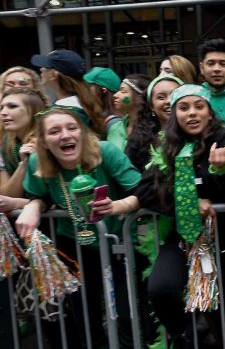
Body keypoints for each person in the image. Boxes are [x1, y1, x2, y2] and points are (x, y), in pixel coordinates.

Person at [15, 106, 141, 348]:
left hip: (118, 242)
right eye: (54, 131)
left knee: (127, 314)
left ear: (83, 132)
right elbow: (38, 195)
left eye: (72, 128)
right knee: (84, 312)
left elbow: (142, 190)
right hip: (73, 245)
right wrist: (33, 206)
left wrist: (118, 205)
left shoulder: (105, 151)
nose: (65, 136)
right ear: (43, 141)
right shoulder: (36, 162)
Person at [135, 84, 225, 347]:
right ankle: (188, 336)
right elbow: (145, 190)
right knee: (160, 289)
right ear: (175, 114)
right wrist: (187, 201)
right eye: (184, 108)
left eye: (199, 106)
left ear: (210, 112)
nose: (192, 113)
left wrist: (223, 171)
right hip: (182, 240)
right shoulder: (167, 146)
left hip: (224, 243)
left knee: (224, 314)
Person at [32, 49, 106, 136]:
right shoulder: (83, 104)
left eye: (45, 67)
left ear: (53, 75)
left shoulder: (64, 112)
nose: (41, 69)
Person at [0, 87, 45, 206]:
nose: (3, 112)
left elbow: (55, 198)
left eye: (12, 106)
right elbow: (6, 198)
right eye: (1, 107)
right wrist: (24, 164)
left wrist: (20, 203)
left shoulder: (48, 142)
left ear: (33, 111)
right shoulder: (8, 146)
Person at [107, 74, 150, 150]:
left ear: (139, 98)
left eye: (123, 91)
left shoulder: (152, 130)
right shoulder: (114, 128)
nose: (115, 95)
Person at [83, 66, 123, 131]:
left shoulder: (114, 123)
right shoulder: (90, 115)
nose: (84, 91)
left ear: (103, 90)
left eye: (89, 86)